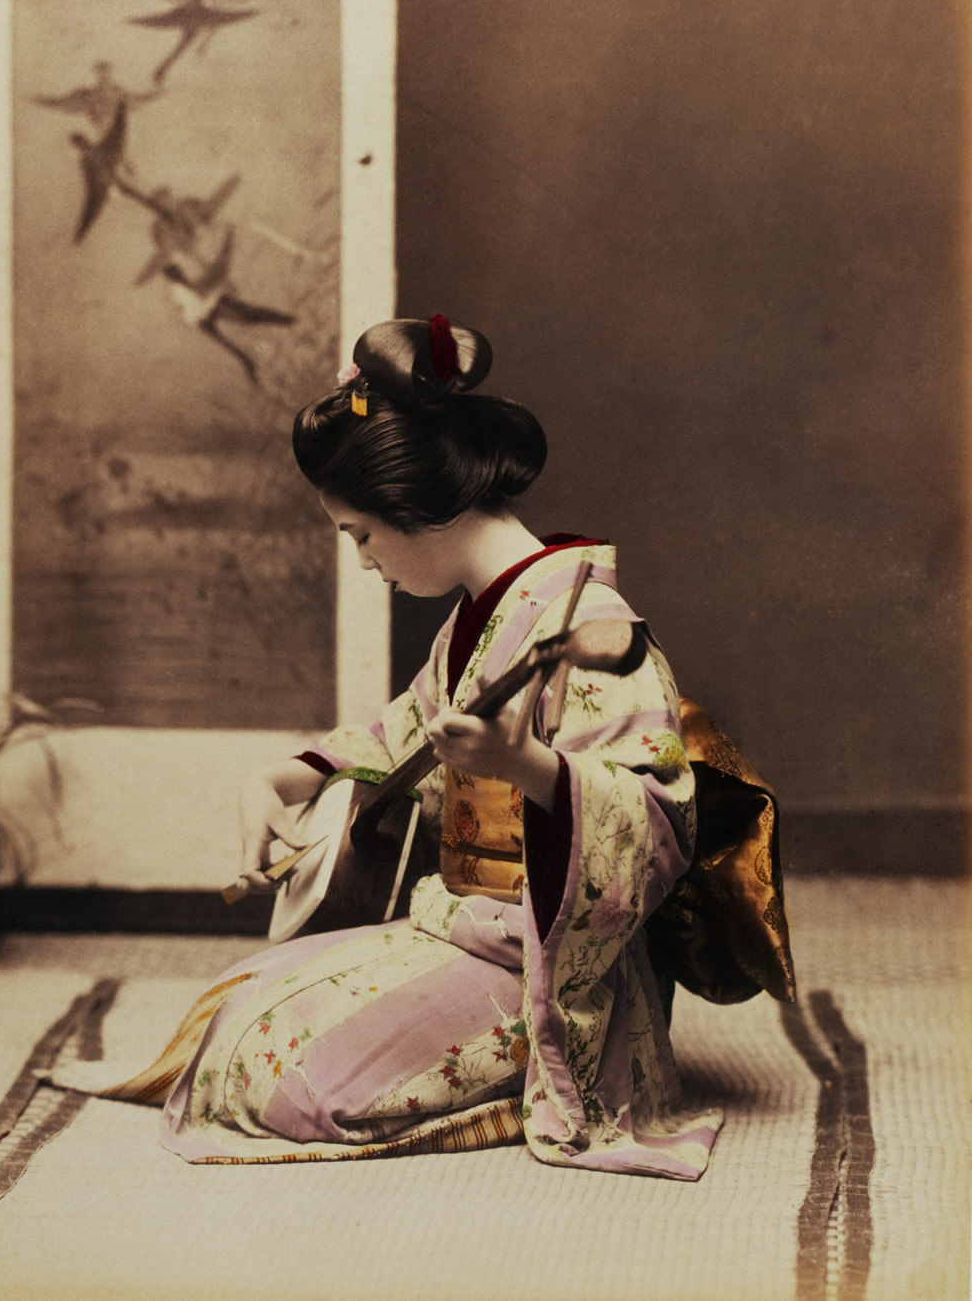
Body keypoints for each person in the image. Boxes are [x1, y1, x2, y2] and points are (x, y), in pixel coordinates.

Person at [60, 315, 726, 1176]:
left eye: (360, 535)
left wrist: (529, 766)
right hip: (465, 923)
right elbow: (400, 735)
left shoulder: (592, 619)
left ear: (414, 506)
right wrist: (282, 777)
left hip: (550, 968)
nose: (365, 561)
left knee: (271, 1072)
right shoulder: (483, 616)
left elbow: (657, 818)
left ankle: (532, 1086)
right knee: (233, 1004)